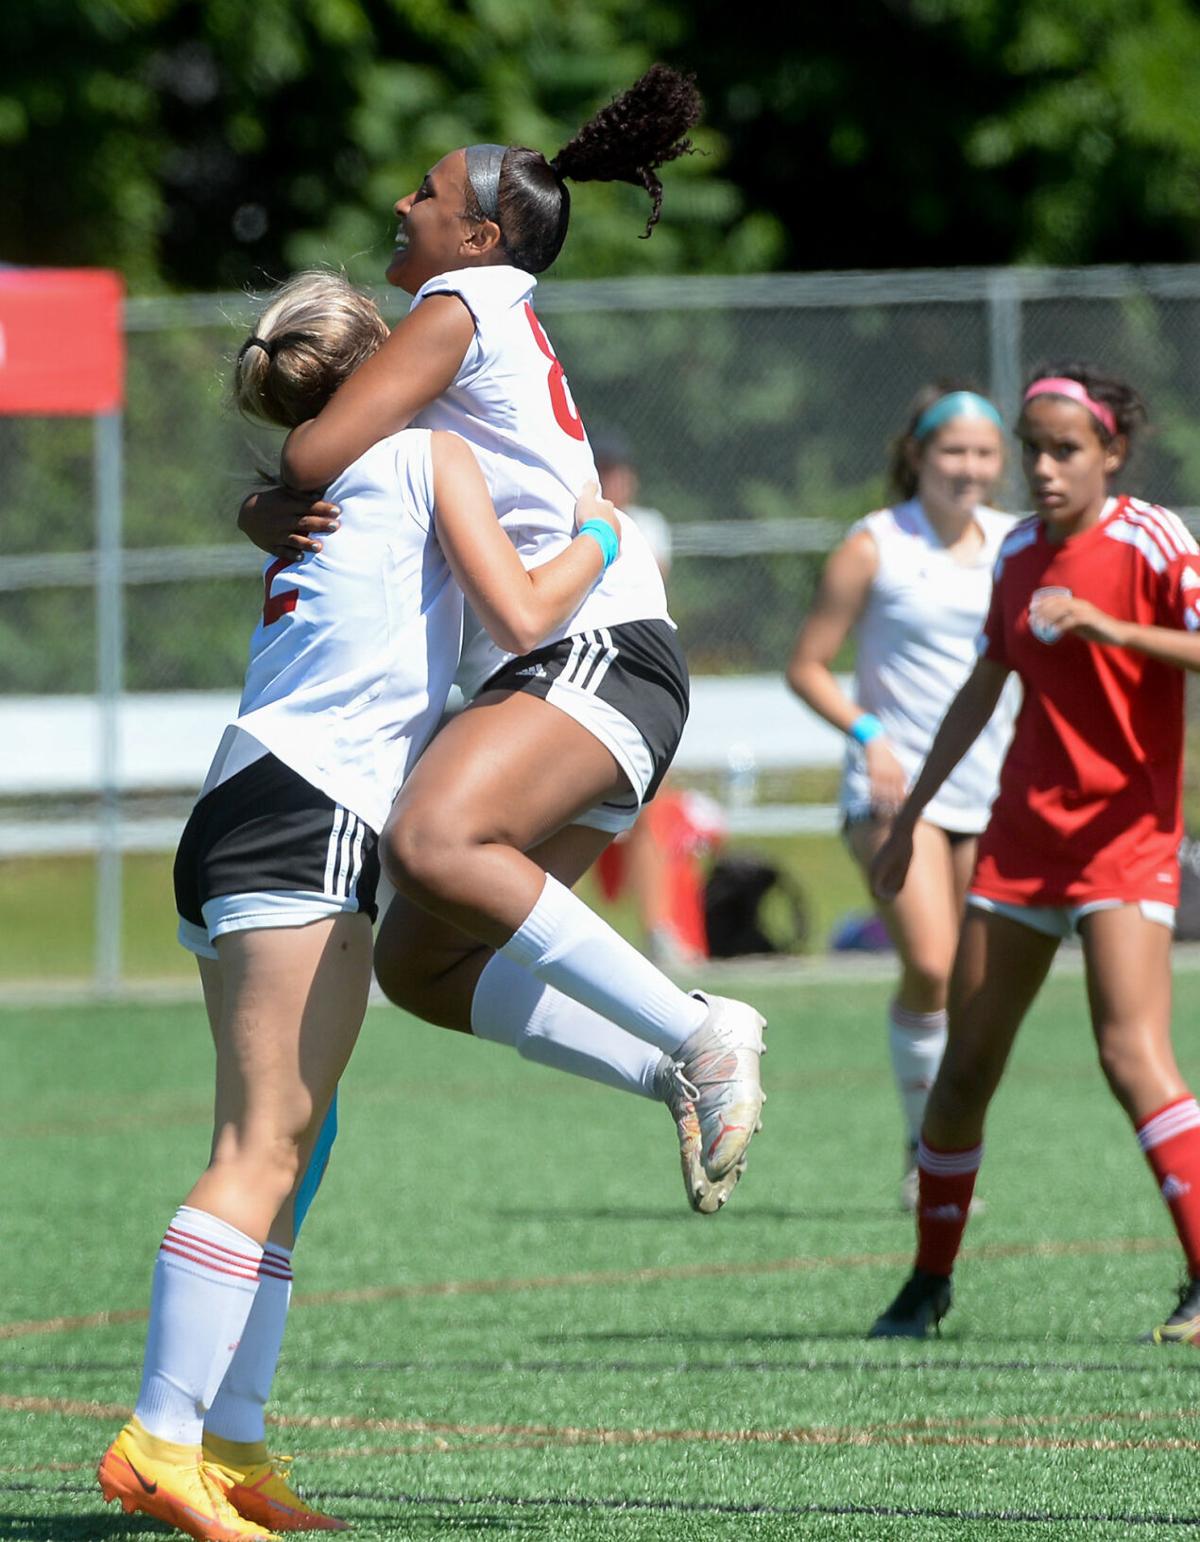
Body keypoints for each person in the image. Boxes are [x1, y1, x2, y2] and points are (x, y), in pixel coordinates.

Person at [97, 271, 625, 1542]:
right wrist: (605, 537)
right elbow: (523, 611)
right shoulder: (427, 453)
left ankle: (231, 1446)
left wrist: (254, 505)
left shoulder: (322, 483)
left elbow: (287, 511)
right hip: (310, 807)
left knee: (298, 1139)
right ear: (383, 360)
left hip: (243, 798)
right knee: (261, 1145)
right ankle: (156, 1441)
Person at [238, 63, 766, 1225]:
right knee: (422, 967)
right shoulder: (479, 319)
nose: (402, 205)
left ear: (479, 236)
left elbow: (313, 456)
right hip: (577, 665)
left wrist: (276, 487)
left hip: (594, 647)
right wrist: (260, 508)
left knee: (432, 840)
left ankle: (701, 1027)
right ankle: (670, 1068)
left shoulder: (462, 304)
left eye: (425, 195)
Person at [867, 362, 1200, 1343]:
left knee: (1130, 1054)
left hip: (1123, 838)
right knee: (965, 1067)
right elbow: (986, 682)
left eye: (1066, 451)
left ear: (1111, 453)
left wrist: (1111, 626)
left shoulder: (1152, 540)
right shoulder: (1017, 550)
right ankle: (927, 1283)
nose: (1044, 470)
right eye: (1034, 452)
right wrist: (912, 814)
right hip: (1023, 841)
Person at [786, 385, 1014, 1207]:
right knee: (930, 962)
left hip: (991, 793)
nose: (969, 468)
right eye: (953, 451)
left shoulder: (1016, 543)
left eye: (984, 453)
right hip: (893, 794)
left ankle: (946, 1153)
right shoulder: (873, 545)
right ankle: (926, 1157)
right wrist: (868, 734)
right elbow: (807, 666)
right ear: (917, 455)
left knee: (973, 990)